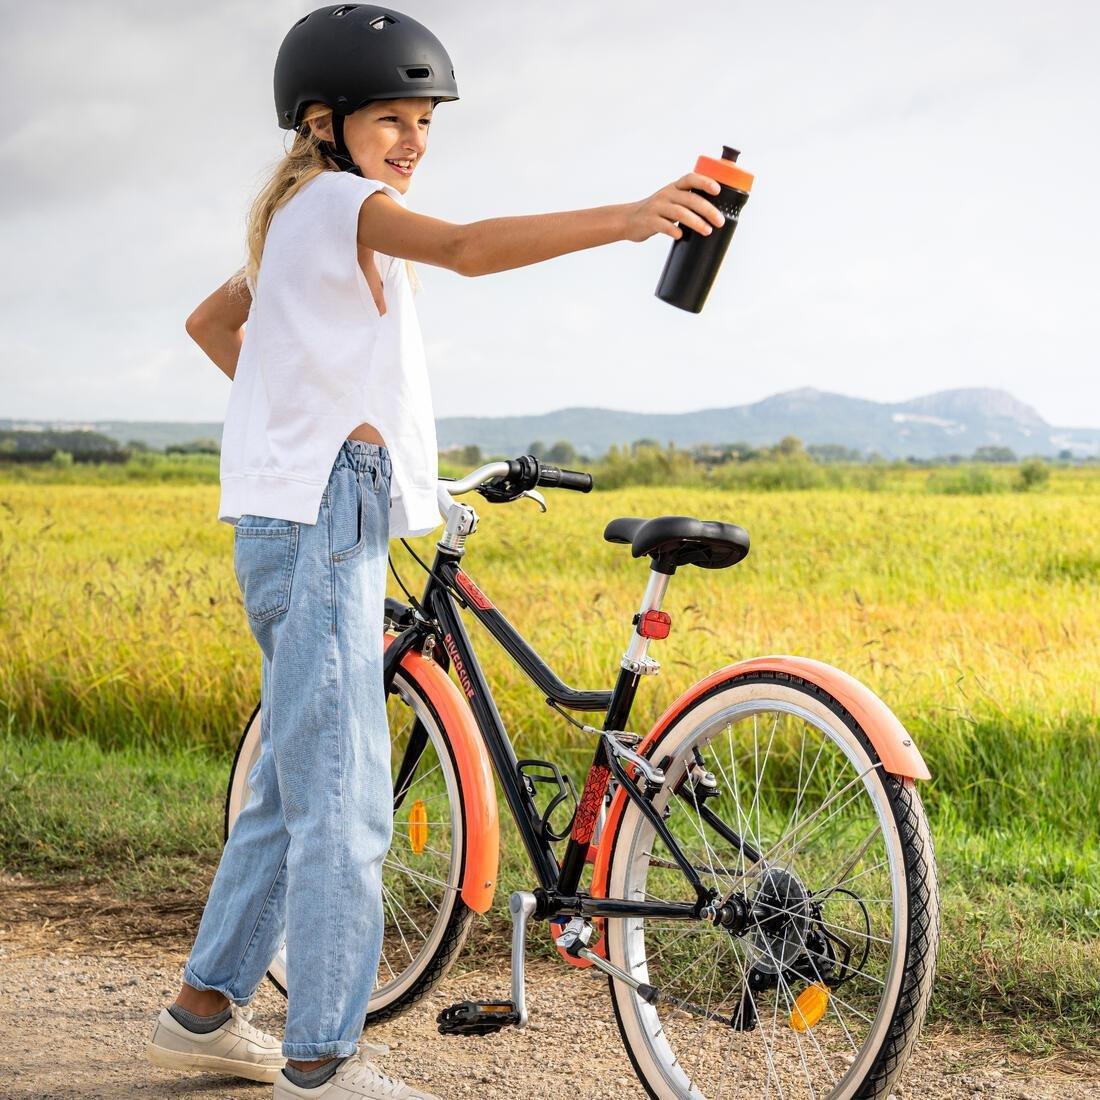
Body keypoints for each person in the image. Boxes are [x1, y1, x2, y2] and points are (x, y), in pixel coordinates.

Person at [145, 4, 727, 1098]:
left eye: (423, 121)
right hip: (322, 517)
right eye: (390, 119)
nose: (412, 140)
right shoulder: (343, 205)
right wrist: (630, 217)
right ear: (324, 121)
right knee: (349, 797)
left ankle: (203, 1008)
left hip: (305, 509)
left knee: (289, 781)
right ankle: (322, 1059)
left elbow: (212, 328)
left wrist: (298, 420)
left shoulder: (295, 220)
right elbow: (465, 250)